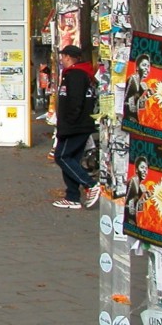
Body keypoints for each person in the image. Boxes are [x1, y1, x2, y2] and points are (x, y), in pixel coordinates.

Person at [52, 44, 101, 210]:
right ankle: (72, 196)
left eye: (62, 56)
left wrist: (69, 122)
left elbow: (76, 101)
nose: (61, 59)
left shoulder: (76, 75)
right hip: (77, 125)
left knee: (62, 157)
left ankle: (91, 184)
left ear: (67, 57)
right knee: (71, 158)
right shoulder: (80, 73)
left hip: (74, 126)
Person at [125, 156, 151, 226]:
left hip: (132, 219)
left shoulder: (141, 186)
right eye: (142, 167)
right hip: (128, 219)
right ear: (136, 170)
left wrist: (143, 199)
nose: (145, 170)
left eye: (146, 168)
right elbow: (130, 204)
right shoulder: (133, 181)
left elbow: (139, 208)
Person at [124, 54, 152, 118]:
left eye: (148, 66)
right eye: (144, 65)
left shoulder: (141, 84)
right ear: (137, 67)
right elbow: (124, 103)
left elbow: (135, 105)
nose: (146, 69)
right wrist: (139, 94)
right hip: (128, 119)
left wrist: (146, 97)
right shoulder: (132, 79)